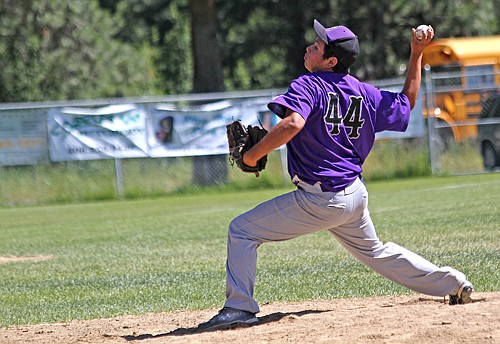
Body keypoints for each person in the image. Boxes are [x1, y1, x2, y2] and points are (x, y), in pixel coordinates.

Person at [198, 19, 473, 330]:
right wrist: (416, 53)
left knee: (242, 231)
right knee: (377, 251)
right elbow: (406, 103)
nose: (309, 48)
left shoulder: (309, 84)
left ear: (330, 61)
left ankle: (238, 308)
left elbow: (292, 125)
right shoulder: (364, 93)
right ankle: (453, 282)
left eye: (316, 47)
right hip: (354, 194)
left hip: (321, 198)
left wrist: (251, 155)